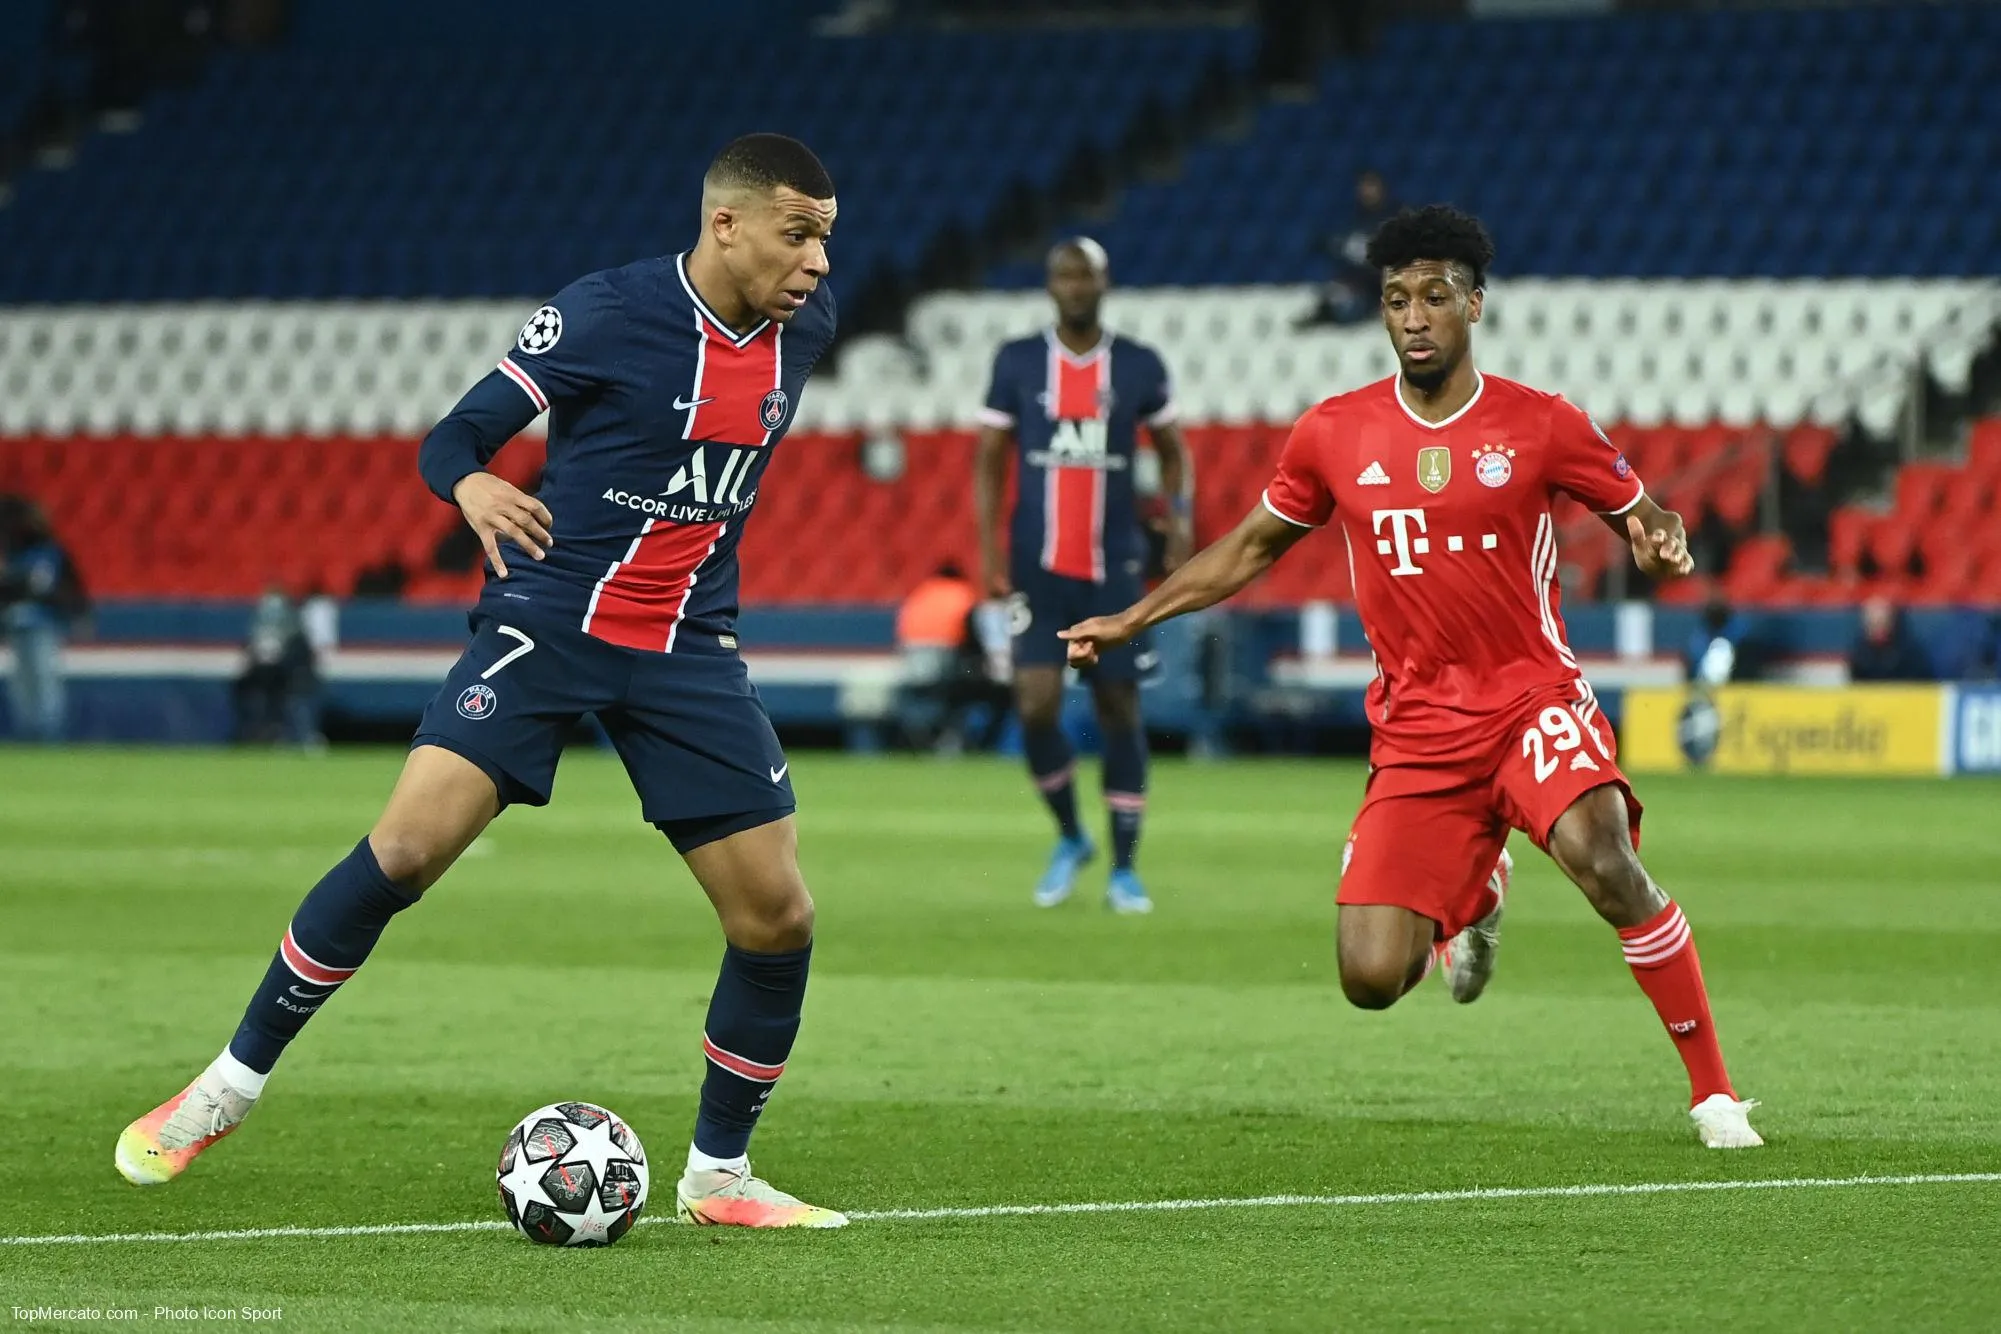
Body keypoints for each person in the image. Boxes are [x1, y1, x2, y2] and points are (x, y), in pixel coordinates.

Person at [116, 133, 850, 1227]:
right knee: (405, 847)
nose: (818, 265)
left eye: (827, 241)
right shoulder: (605, 312)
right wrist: (468, 483)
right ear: (726, 223)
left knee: (778, 915)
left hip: (686, 642)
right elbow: (456, 430)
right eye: (799, 235)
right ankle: (220, 1091)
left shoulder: (806, 333)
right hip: (550, 622)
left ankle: (719, 1177)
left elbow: (707, 479)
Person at [1061, 206, 1761, 1149]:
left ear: (1474, 305)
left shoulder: (1542, 424)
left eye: (1434, 297)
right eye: (1396, 300)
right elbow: (1250, 549)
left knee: (1603, 859)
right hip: (1419, 729)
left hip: (1529, 699)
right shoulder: (1333, 434)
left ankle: (1713, 1094)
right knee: (1369, 978)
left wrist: (1659, 533)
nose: (1414, 316)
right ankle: (1474, 895)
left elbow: (1647, 510)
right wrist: (1132, 615)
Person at [974, 237, 1193, 913]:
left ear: (1103, 283)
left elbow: (1173, 450)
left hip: (1114, 570)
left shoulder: (1136, 365)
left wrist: (1179, 519)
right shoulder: (1016, 361)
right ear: (1049, 285)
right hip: (1038, 570)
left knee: (1118, 707)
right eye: (1063, 275)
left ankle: (1124, 867)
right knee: (1034, 704)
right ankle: (1071, 835)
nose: (1074, 286)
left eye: (1085, 276)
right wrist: (987, 549)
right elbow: (988, 460)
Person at [893, 560, 1008, 753]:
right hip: (947, 667)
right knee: (999, 695)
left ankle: (923, 741)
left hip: (913, 666)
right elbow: (973, 641)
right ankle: (976, 745)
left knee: (929, 701)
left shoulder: (920, 595)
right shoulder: (962, 595)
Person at [1, 499, 86, 743]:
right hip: (17, 624)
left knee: (43, 676)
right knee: (22, 681)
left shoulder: (50, 552)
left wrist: (76, 612)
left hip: (42, 624)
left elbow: (65, 586)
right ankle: (30, 732)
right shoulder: (14, 554)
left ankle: (48, 732)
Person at [1294, 169, 1399, 329]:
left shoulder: (1395, 218)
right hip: (1360, 284)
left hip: (1385, 284)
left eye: (1371, 186)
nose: (1367, 192)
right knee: (1339, 294)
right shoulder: (1355, 220)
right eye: (1363, 187)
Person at [231, 587, 322, 746]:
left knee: (294, 705)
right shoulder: (259, 626)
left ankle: (303, 737)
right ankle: (265, 735)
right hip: (266, 677)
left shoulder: (293, 629)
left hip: (291, 678)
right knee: (264, 703)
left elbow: (303, 655)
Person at [1847, 595, 1934, 682]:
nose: (1877, 628)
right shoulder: (1860, 651)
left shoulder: (1909, 650)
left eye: (1881, 622)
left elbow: (1918, 679)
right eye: (1872, 623)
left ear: (1891, 621)